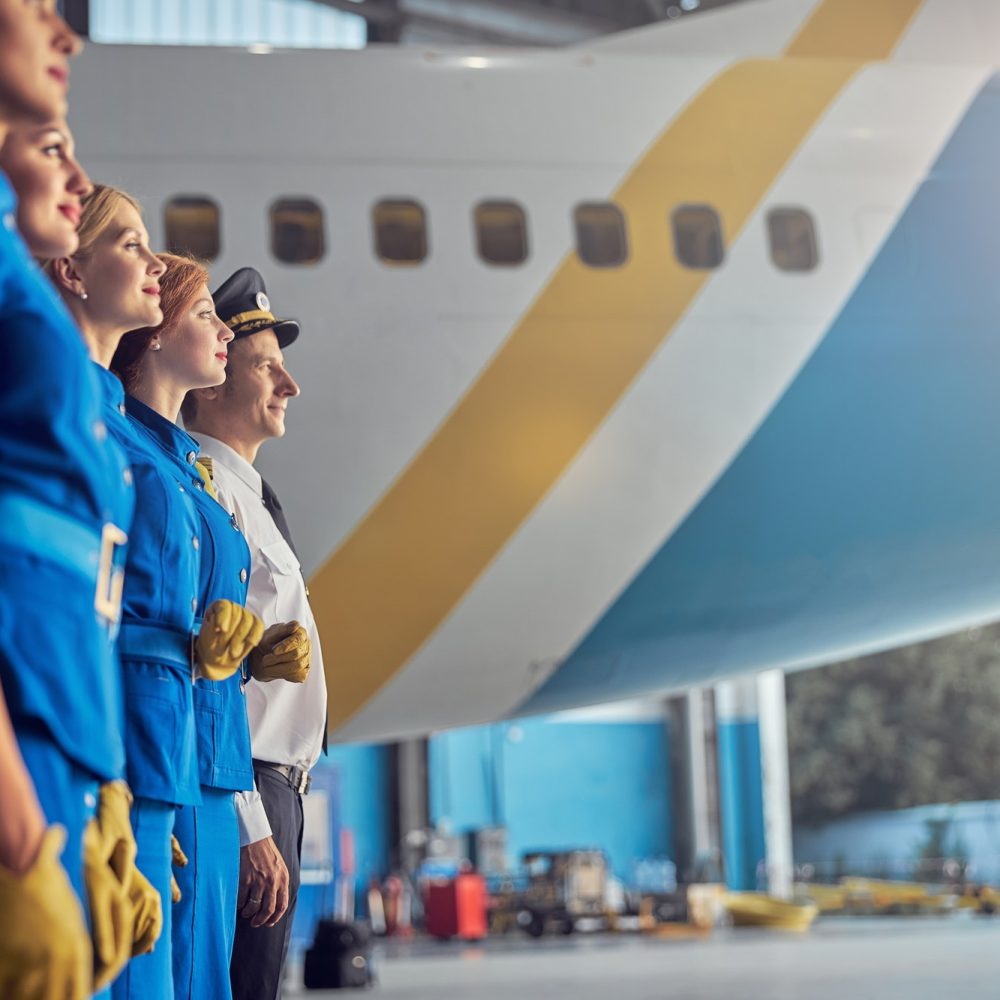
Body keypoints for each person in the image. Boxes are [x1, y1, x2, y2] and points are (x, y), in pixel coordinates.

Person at [111, 253, 306, 1000]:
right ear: (157, 333)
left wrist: (246, 657)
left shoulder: (190, 468)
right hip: (161, 754)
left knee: (199, 982)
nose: (219, 331)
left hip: (210, 758)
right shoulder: (127, 450)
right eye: (204, 317)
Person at [0, 4, 140, 996]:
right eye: (40, 5)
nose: (68, 33)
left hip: (61, 744)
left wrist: (104, 793)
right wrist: (18, 830)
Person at [184, 267, 326, 1000]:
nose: (288, 385)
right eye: (267, 367)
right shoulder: (209, 492)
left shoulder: (247, 493)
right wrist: (250, 825)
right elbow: (212, 681)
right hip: (250, 783)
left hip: (277, 787)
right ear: (212, 381)